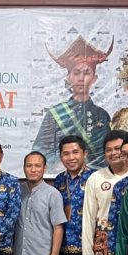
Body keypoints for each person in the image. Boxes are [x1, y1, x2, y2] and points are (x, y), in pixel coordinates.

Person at [32, 35, 112, 174]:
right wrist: (60, 162)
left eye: (86, 73)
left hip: (95, 179)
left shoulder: (102, 115)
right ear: (68, 77)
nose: (81, 78)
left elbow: (107, 153)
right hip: (63, 177)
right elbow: (40, 150)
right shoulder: (55, 114)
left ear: (94, 78)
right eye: (76, 73)